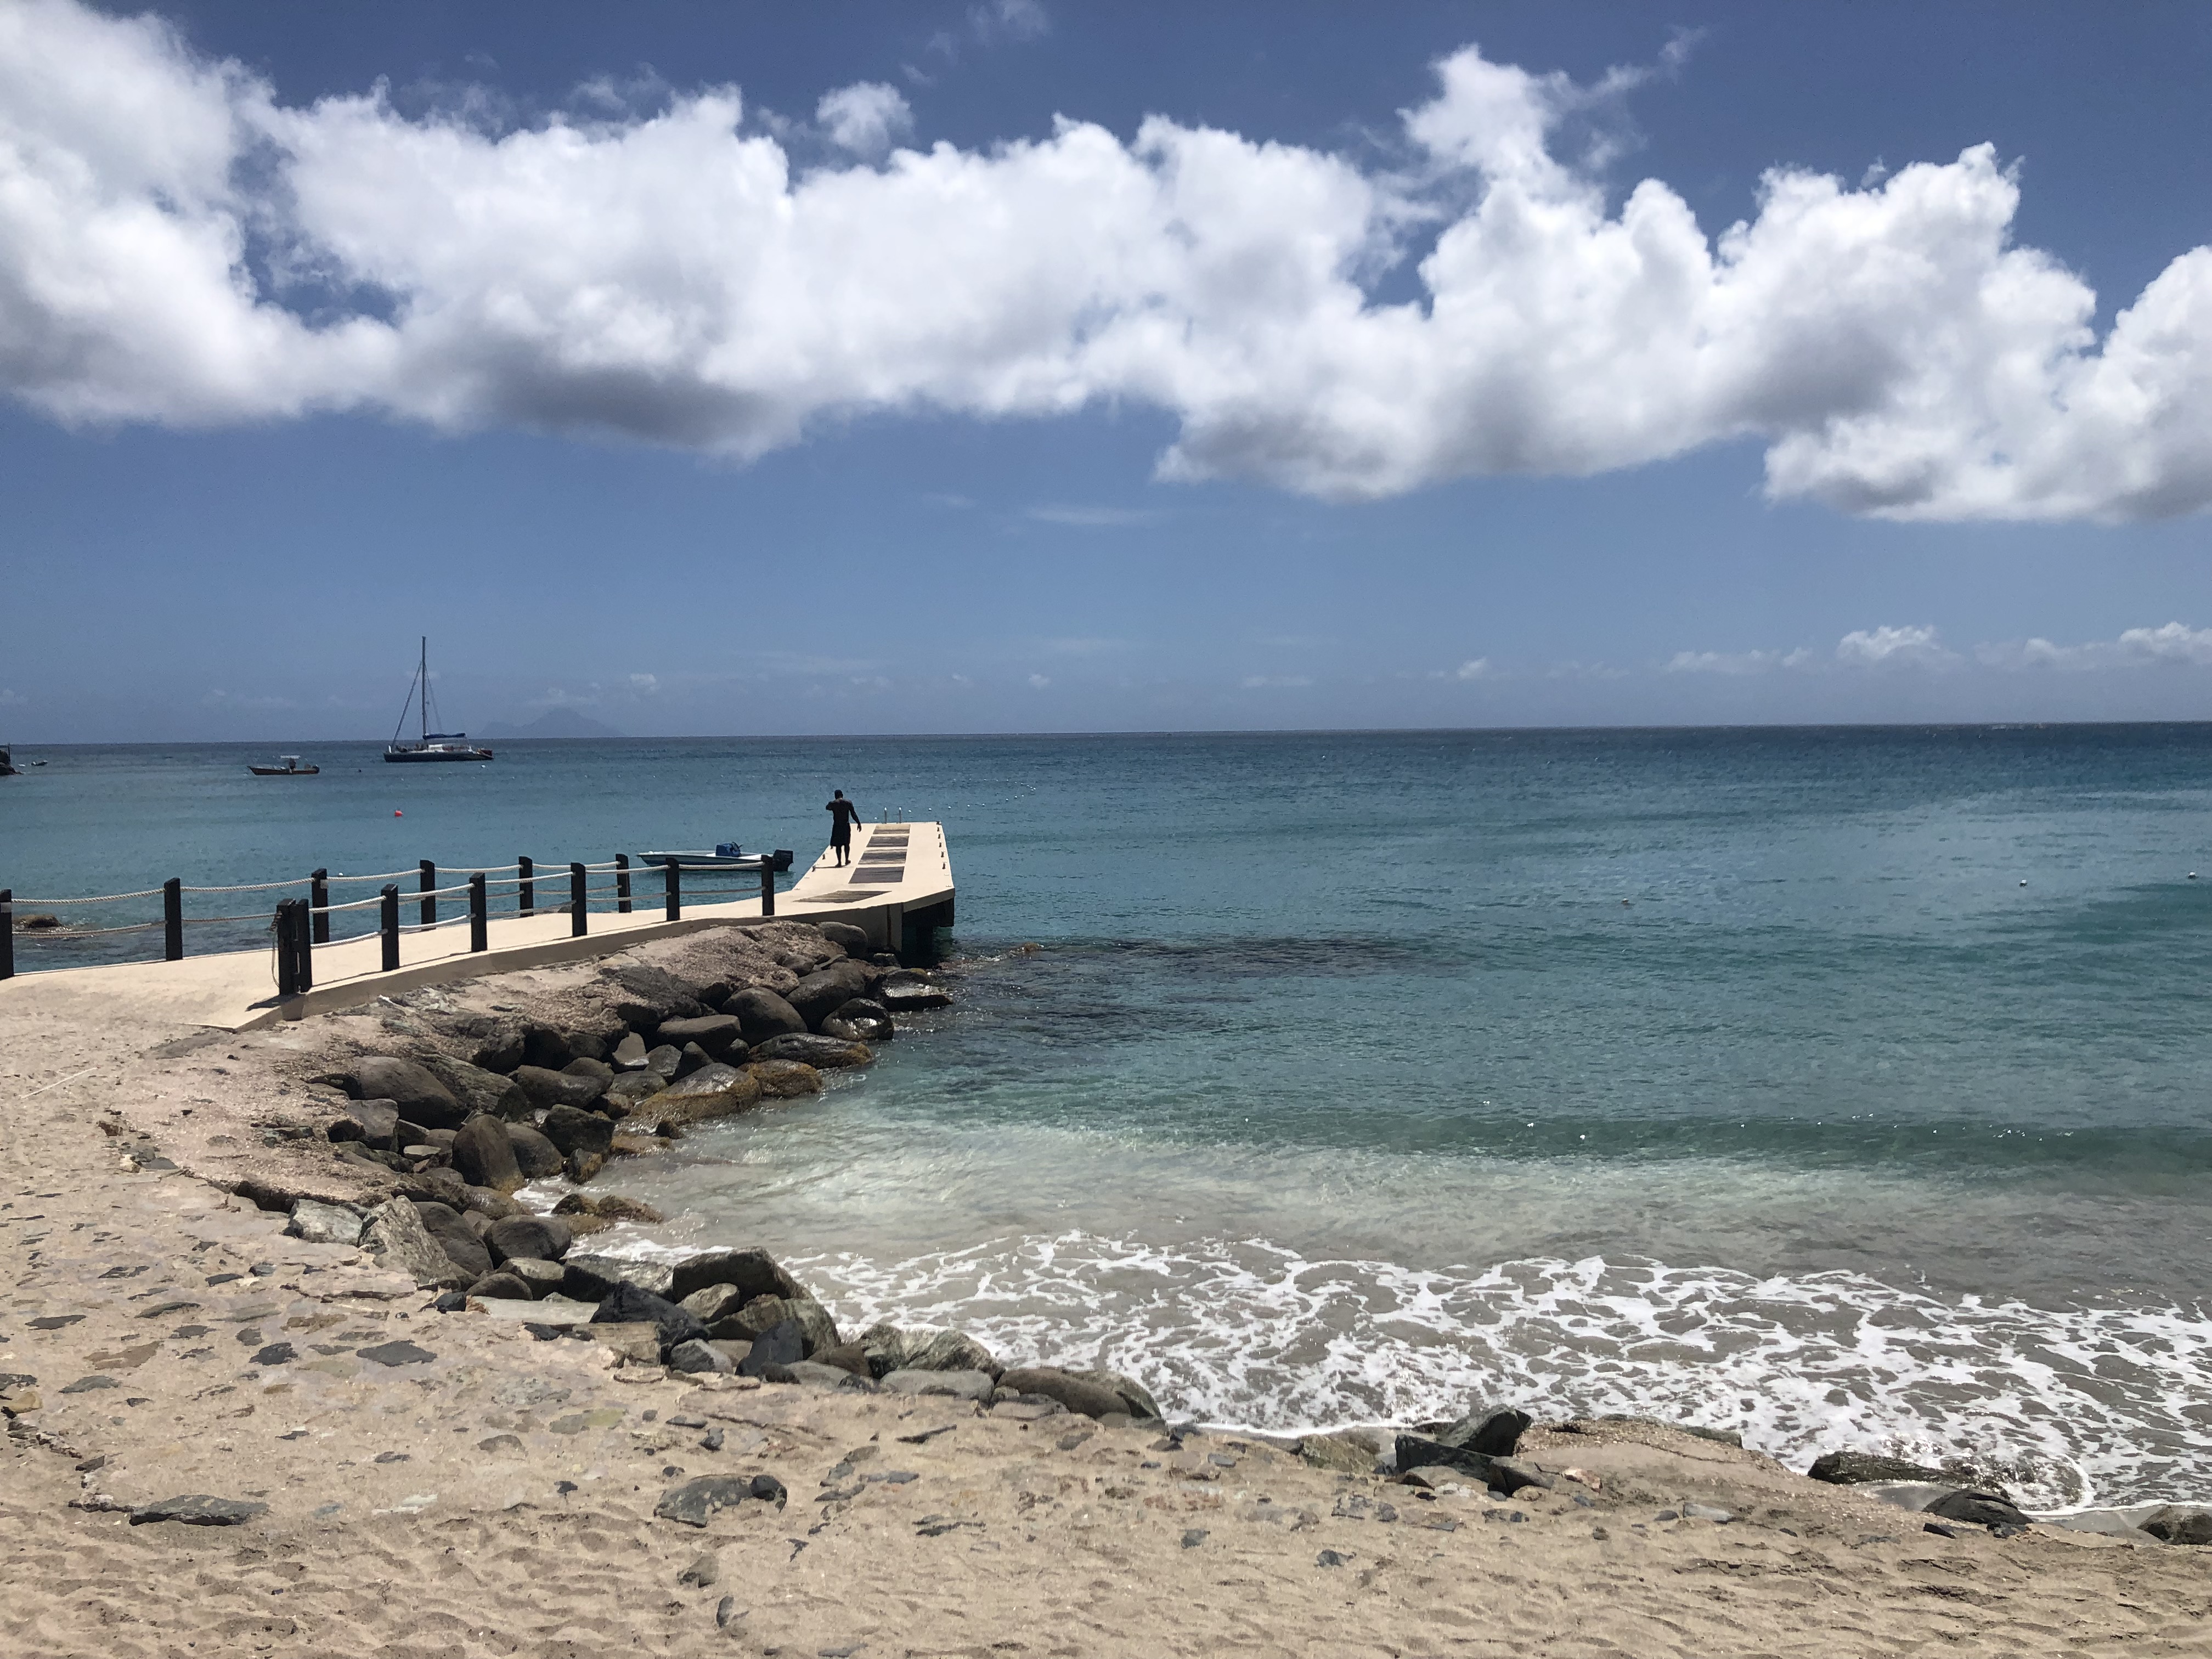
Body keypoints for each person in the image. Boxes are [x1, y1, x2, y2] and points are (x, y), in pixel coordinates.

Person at [825, 789, 861, 865]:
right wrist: (858, 823)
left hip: (837, 826)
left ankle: (839, 862)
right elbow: (853, 814)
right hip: (846, 825)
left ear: (835, 796)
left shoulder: (833, 803)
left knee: (838, 845)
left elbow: (827, 808)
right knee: (846, 844)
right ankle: (847, 860)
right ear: (842, 795)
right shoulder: (848, 803)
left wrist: (832, 804)